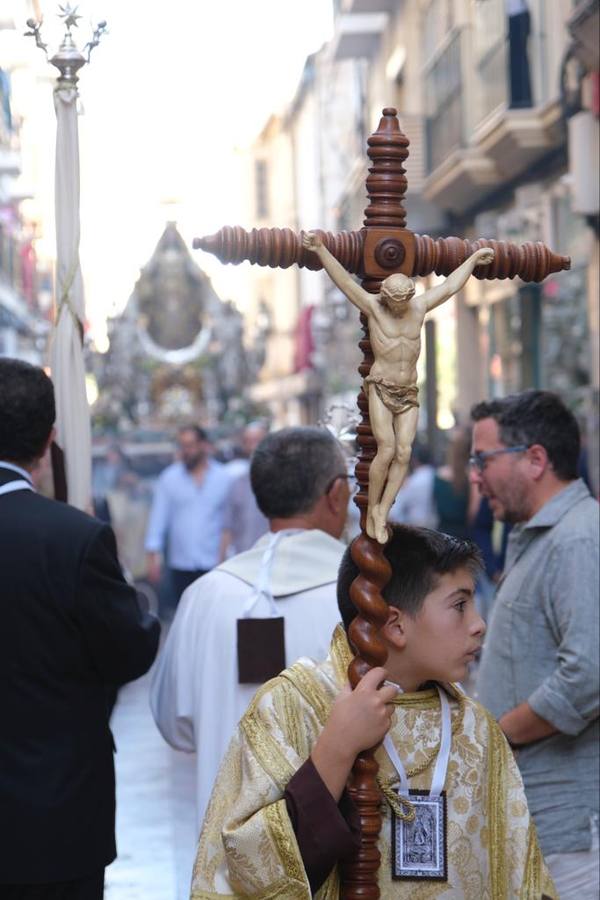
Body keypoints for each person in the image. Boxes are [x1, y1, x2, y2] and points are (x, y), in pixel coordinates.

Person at [190, 525, 556, 898]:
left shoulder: (476, 728)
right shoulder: (294, 705)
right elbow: (247, 870)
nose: (479, 624)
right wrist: (336, 749)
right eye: (460, 605)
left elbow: (520, 873)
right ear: (396, 625)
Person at [0, 358, 160, 900]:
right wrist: (136, 603)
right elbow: (129, 651)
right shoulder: (73, 537)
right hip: (53, 812)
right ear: (49, 440)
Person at [150, 426, 350, 828]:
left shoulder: (205, 595)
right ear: (337, 493)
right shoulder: (364, 594)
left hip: (228, 847)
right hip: (336, 840)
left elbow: (174, 724)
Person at [470, 390, 599, 899]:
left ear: (536, 459)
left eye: (483, 459)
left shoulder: (578, 538)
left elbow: (588, 673)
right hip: (541, 819)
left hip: (570, 826)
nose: (475, 477)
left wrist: (498, 736)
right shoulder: (547, 535)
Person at [302, 231, 494, 544]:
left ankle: (382, 510)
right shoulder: (374, 307)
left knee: (404, 452)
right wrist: (321, 250)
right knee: (387, 448)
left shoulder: (418, 308)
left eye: (405, 300)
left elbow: (449, 286)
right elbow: (345, 282)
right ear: (386, 297)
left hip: (408, 390)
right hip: (380, 386)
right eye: (395, 301)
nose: (401, 306)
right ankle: (373, 508)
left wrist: (472, 260)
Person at [144, 424, 232, 603]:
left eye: (190, 445)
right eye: (182, 446)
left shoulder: (223, 477)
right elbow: (158, 519)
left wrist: (225, 556)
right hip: (181, 563)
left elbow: (228, 522)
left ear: (204, 445)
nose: (186, 451)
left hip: (215, 563)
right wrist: (153, 558)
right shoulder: (169, 478)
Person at [220, 421, 269, 558]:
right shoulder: (237, 483)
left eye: (257, 441)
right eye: (249, 441)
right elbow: (227, 527)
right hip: (243, 558)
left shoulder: (283, 481)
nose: (253, 447)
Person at [432, 426, 471, 539]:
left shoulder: (439, 475)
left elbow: (433, 506)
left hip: (442, 534)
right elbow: (472, 514)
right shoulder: (470, 477)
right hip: (464, 535)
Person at [389, 442, 438, 529]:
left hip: (416, 527)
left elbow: (395, 512)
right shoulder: (437, 477)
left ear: (414, 460)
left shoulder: (413, 481)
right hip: (436, 526)